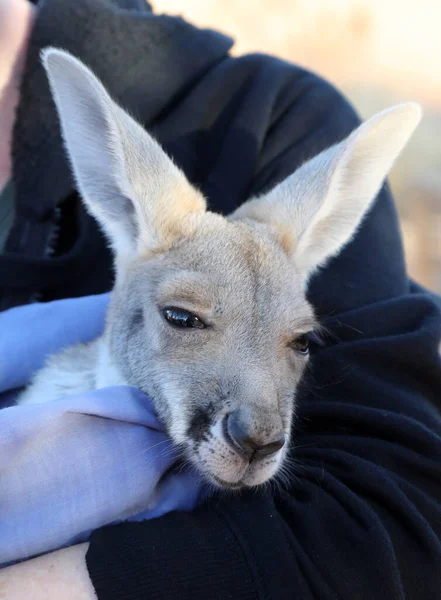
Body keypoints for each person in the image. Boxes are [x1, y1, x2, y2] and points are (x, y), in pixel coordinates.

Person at [1, 0, 441, 598]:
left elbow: (387, 520)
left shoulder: (275, 112)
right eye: (184, 318)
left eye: (299, 342)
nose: (263, 429)